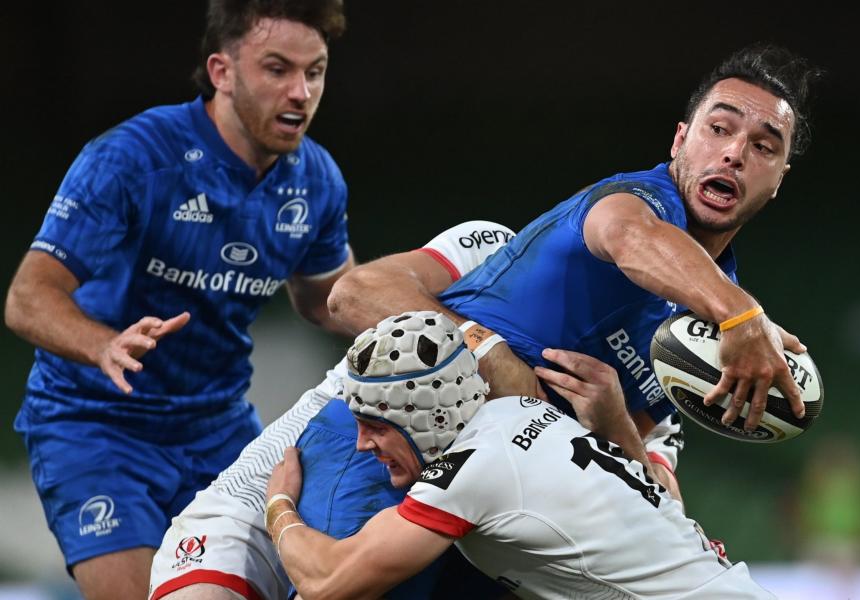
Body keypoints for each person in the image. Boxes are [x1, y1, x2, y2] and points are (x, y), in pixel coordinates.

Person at [3, 2, 351, 598]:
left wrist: (427, 323)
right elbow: (27, 296)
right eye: (276, 69)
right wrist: (104, 344)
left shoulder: (316, 180)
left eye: (314, 72)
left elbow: (327, 300)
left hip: (217, 426)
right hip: (95, 425)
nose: (299, 92)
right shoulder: (133, 158)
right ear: (221, 71)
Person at [148, 221, 684, 599]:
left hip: (443, 523)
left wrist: (615, 423)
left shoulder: (654, 375)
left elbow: (663, 521)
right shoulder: (498, 254)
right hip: (277, 489)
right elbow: (351, 295)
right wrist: (487, 348)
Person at [328, 43, 824, 444]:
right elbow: (630, 236)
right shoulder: (639, 201)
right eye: (718, 129)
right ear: (679, 141)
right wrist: (492, 356)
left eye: (763, 147)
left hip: (486, 505)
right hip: (378, 452)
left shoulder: (703, 326)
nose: (735, 153)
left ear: (779, 179)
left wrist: (613, 427)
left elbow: (620, 463)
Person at [265, 311, 775, 599]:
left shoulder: (477, 464)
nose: (361, 445)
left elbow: (330, 583)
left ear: (425, 416)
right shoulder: (527, 419)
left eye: (374, 425)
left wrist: (279, 506)